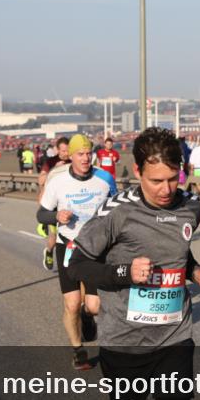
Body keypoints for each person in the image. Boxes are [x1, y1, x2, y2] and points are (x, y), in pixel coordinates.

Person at [66, 127, 200, 400]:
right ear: (137, 171)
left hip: (174, 337)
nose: (166, 189)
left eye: (173, 178)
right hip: (124, 341)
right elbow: (76, 265)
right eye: (156, 181)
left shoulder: (190, 206)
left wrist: (197, 273)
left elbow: (177, 255)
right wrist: (122, 274)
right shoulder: (117, 211)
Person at [36, 134, 118, 370]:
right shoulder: (58, 182)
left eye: (88, 153)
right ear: (70, 155)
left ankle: (86, 315)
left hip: (96, 250)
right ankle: (78, 350)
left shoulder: (105, 179)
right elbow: (41, 214)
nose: (85, 158)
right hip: (68, 247)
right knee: (71, 303)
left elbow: (118, 210)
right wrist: (56, 216)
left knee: (93, 306)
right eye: (80, 154)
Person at [38, 137, 72, 270]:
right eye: (63, 150)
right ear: (57, 150)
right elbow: (40, 180)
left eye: (67, 150)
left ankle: (70, 263)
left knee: (70, 234)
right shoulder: (50, 161)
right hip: (53, 205)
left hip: (69, 202)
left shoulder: (73, 161)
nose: (65, 153)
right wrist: (54, 170)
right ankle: (49, 251)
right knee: (55, 235)